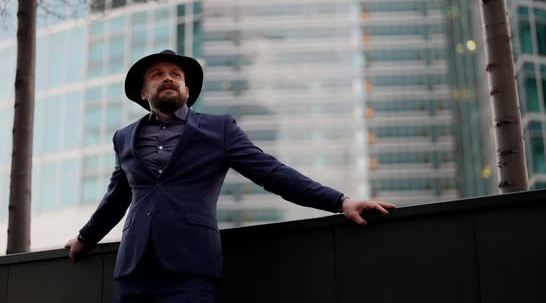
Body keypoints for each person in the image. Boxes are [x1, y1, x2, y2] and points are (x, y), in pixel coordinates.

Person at [65, 50, 395, 302]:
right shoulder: (124, 137)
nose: (168, 78)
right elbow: (116, 198)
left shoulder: (218, 129)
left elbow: (271, 172)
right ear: (143, 92)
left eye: (175, 74)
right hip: (133, 272)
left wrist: (340, 201)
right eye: (157, 74)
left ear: (186, 89)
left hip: (190, 269)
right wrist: (84, 238)